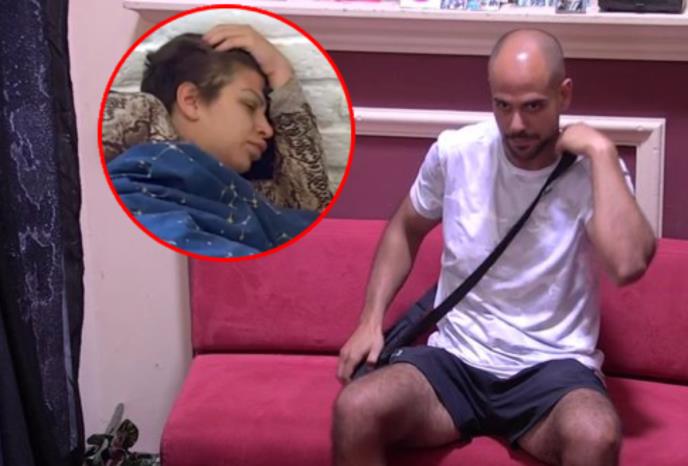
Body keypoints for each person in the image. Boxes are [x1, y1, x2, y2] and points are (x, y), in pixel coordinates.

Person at [333, 29, 656, 466]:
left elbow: (628, 263)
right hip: (456, 362)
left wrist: (600, 150)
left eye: (533, 106)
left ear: (564, 95)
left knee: (595, 434)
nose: (516, 125)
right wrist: (370, 320)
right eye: (503, 106)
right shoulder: (458, 151)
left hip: (551, 370)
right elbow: (405, 228)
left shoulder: (592, 171)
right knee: (356, 408)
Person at [105, 25, 332, 257]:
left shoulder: (246, 199)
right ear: (191, 100)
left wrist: (280, 72)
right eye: (250, 105)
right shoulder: (129, 187)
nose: (267, 129)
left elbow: (312, 211)